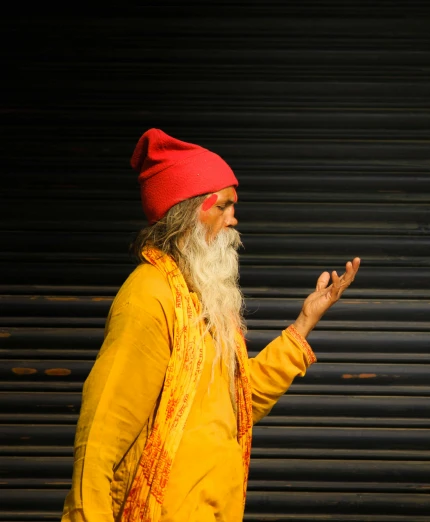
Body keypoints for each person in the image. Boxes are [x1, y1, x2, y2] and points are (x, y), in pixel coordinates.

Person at [61, 128, 360, 521]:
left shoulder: (202, 299)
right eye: (224, 206)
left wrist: (304, 322)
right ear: (188, 211)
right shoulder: (149, 296)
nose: (234, 218)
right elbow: (102, 433)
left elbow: (239, 404)